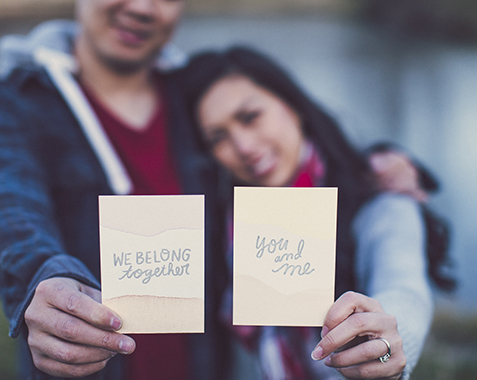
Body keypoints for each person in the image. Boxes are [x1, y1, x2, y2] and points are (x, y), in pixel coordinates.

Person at [0, 2, 441, 379]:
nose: (144, 7)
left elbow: (299, 147)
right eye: (222, 138)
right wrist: (39, 279)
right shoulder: (6, 105)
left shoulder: (189, 97)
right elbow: (5, 208)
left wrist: (381, 159)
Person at [177, 46, 455, 380]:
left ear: (292, 106)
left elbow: (403, 286)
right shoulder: (225, 217)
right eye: (218, 137)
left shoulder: (379, 198)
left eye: (250, 117)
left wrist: (389, 339)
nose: (244, 147)